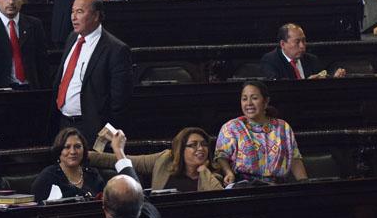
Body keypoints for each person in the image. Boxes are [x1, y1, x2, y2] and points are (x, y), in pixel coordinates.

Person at [54, 0, 133, 144]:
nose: (73, 17)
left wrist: (104, 138)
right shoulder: (72, 38)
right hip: (64, 123)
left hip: (93, 129)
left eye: (80, 12)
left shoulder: (116, 49)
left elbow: (120, 102)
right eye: (72, 11)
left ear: (96, 16)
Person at [214, 80, 308, 184]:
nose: (248, 103)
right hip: (245, 186)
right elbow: (221, 156)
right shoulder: (232, 127)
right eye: (244, 99)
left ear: (266, 101)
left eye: (254, 98)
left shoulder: (282, 127)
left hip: (278, 187)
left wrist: (304, 182)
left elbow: (294, 158)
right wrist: (228, 172)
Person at [89, 126, 223, 192]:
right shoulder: (165, 160)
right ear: (181, 150)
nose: (200, 148)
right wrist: (84, 155)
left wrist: (203, 170)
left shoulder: (213, 175)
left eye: (204, 144)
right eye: (193, 145)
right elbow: (125, 160)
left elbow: (219, 198)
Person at [31, 127, 105, 202]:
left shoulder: (93, 175)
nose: (73, 152)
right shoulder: (48, 177)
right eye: (67, 147)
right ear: (59, 150)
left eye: (77, 146)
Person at [260, 23, 346, 80]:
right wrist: (306, 84)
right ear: (283, 44)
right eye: (297, 42)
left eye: (304, 41)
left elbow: (323, 77)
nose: (302, 46)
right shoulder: (271, 60)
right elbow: (278, 85)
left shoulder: (311, 59)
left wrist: (334, 78)